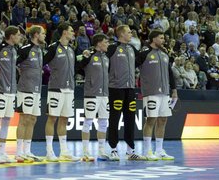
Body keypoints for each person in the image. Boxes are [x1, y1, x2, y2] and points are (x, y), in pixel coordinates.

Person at [138, 30, 178, 161]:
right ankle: (146, 151)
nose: (163, 40)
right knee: (151, 120)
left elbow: (170, 73)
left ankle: (159, 150)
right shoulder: (144, 53)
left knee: (163, 120)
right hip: (151, 92)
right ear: (153, 39)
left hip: (165, 92)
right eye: (161, 38)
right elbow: (131, 66)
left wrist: (174, 90)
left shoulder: (164, 54)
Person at [106, 25, 144, 161]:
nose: (131, 34)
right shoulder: (112, 48)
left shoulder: (132, 49)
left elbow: (141, 60)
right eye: (129, 32)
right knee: (114, 118)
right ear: (121, 34)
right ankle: (113, 149)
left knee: (130, 118)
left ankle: (130, 150)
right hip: (115, 88)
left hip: (130, 88)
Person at [42, 23, 77, 162]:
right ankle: (49, 152)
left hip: (70, 89)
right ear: (64, 33)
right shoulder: (53, 47)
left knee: (64, 119)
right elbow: (41, 62)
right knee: (52, 118)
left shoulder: (71, 49)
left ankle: (64, 151)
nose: (73, 33)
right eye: (71, 30)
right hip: (56, 88)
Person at [0, 25, 21, 164]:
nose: (20, 37)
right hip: (0, 90)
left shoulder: (15, 50)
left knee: (7, 121)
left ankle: (2, 151)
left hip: (12, 91)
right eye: (18, 34)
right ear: (11, 36)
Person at [15, 25, 46, 162]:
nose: (44, 36)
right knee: (24, 119)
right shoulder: (25, 49)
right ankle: (18, 152)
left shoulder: (39, 50)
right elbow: (12, 64)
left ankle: (27, 151)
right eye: (43, 33)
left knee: (33, 119)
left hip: (37, 90)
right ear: (36, 35)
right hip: (25, 89)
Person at [78, 33, 110, 162]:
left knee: (103, 122)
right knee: (88, 122)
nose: (108, 44)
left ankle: (101, 151)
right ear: (99, 43)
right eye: (106, 42)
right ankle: (85, 152)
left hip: (105, 94)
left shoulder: (106, 58)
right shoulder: (89, 55)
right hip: (91, 93)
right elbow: (78, 67)